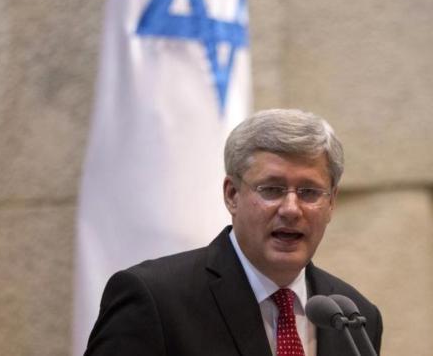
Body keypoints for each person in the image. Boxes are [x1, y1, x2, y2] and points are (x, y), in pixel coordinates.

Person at [84, 109, 382, 356]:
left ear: (331, 203)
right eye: (272, 189)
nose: (291, 209)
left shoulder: (355, 318)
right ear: (232, 195)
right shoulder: (155, 299)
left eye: (309, 192)